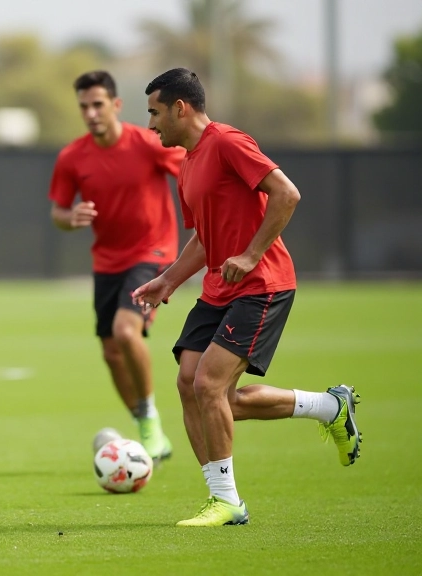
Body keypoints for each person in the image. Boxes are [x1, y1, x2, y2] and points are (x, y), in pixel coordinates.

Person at [134, 68, 362, 527]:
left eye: (155, 113)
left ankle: (228, 503)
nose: (151, 124)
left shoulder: (228, 142)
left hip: (263, 284)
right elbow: (202, 239)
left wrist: (252, 252)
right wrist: (169, 280)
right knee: (191, 386)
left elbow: (286, 193)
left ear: (181, 108)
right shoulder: (187, 162)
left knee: (209, 387)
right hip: (220, 288)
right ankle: (328, 406)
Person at [48, 70, 185, 462]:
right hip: (107, 261)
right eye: (84, 107)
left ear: (116, 105)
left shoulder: (148, 143)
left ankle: (152, 425)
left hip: (152, 254)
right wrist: (70, 215)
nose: (91, 113)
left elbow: (191, 168)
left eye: (98, 104)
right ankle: (144, 423)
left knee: (126, 332)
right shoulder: (72, 156)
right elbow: (57, 211)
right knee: (110, 351)